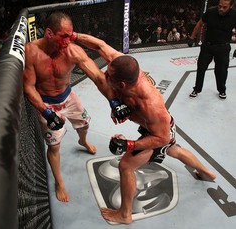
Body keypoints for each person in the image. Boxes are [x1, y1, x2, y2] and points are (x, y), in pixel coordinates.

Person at [75, 33, 216, 224]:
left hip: (158, 133)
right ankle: (207, 173)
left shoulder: (150, 105)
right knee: (175, 150)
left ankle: (125, 214)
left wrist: (129, 145)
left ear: (122, 84)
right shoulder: (123, 65)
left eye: (110, 75)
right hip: (162, 126)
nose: (106, 75)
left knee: (126, 166)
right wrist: (74, 36)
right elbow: (100, 45)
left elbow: (161, 139)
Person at [23, 12, 130, 203]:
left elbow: (98, 77)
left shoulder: (74, 51)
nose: (68, 40)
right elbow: (29, 87)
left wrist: (114, 102)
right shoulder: (31, 52)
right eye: (64, 36)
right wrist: (46, 112)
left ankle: (83, 141)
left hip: (68, 97)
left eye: (70, 35)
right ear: (49, 33)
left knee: (85, 124)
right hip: (46, 103)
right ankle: (59, 182)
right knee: (54, 147)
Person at [188, 0, 236, 99]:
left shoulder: (235, 15)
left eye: (224, 7)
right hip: (208, 46)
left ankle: (222, 90)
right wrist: (192, 38)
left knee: (221, 71)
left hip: (223, 47)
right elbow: (200, 23)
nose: (221, 9)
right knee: (201, 68)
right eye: (220, 6)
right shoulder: (211, 11)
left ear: (231, 6)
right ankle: (197, 89)